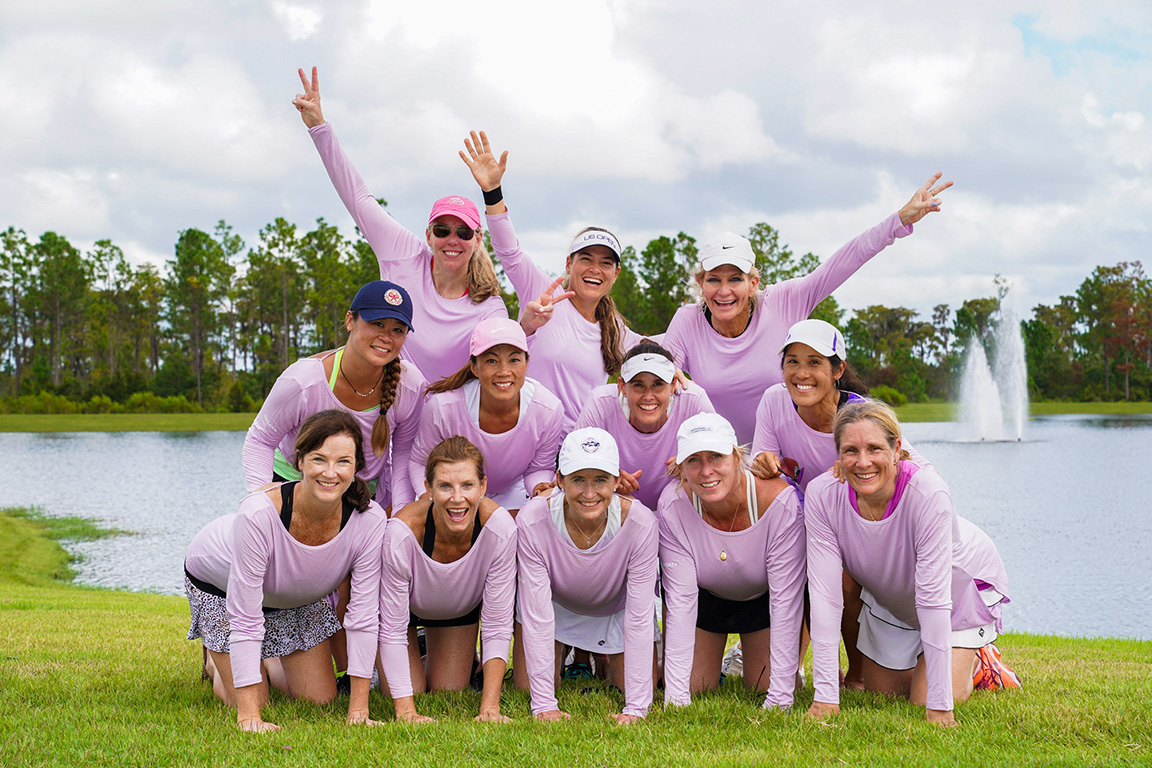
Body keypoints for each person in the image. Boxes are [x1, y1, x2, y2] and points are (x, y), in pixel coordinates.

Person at [662, 174, 952, 445]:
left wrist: (898, 221)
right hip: (723, 461)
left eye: (735, 279)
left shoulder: (782, 301)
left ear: (753, 283)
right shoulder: (687, 321)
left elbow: (842, 264)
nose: (724, 291)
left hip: (787, 457)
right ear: (701, 283)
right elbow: (659, 384)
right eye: (714, 280)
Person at [804, 400, 1018, 727]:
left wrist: (940, 707)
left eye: (874, 448)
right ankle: (930, 658)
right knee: (883, 694)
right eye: (850, 451)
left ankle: (981, 661)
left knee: (924, 700)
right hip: (896, 600)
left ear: (897, 449)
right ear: (838, 455)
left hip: (958, 596)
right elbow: (824, 597)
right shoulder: (822, 495)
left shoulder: (928, 493)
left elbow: (934, 598)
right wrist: (825, 697)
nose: (863, 462)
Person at [293, 67, 507, 383]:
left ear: (477, 240)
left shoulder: (489, 307)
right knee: (302, 372)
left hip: (448, 417)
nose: (452, 240)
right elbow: (358, 198)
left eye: (463, 232)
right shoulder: (405, 253)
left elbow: (502, 364)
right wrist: (319, 127)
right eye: (442, 230)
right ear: (428, 235)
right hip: (390, 399)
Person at [185, 410, 388, 731]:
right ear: (300, 461)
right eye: (319, 459)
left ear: (357, 466)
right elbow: (246, 618)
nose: (331, 473)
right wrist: (250, 717)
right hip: (221, 583)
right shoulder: (259, 514)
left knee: (319, 698)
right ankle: (215, 659)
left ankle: (263, 657)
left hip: (293, 591)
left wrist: (359, 711)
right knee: (252, 699)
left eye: (343, 462)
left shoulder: (370, 519)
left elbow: (362, 616)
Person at [459, 131, 642, 432]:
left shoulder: (617, 331)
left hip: (576, 454)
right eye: (586, 259)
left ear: (615, 274)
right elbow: (508, 250)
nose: (595, 269)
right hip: (524, 437)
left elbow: (665, 347)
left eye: (605, 263)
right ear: (569, 263)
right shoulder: (543, 289)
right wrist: (493, 192)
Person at [657, 413, 806, 710]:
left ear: (737, 458)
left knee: (764, 686)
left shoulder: (779, 501)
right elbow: (681, 601)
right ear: (681, 468)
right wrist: (675, 699)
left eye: (716, 456)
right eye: (694, 461)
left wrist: (780, 698)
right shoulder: (672, 504)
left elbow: (785, 600)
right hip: (707, 599)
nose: (706, 471)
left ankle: (760, 661)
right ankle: (715, 664)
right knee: (693, 687)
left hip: (762, 599)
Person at [515, 428, 659, 723]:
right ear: (559, 480)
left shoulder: (641, 523)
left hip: (616, 611)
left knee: (631, 687)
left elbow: (640, 616)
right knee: (526, 688)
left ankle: (602, 661)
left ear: (617, 481)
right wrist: (543, 705)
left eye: (601, 480)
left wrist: (636, 708)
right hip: (556, 607)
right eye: (578, 479)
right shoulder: (532, 519)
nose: (589, 492)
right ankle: (573, 657)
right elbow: (537, 616)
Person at [243, 280, 424, 509]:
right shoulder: (303, 380)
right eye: (377, 323)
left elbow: (403, 453)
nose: (386, 337)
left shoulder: (409, 385)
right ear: (350, 321)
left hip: (361, 494)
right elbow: (260, 441)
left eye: (397, 329)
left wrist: (401, 512)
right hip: (294, 484)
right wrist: (262, 502)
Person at [378, 436, 516, 723]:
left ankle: (434, 651)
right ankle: (414, 644)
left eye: (467, 485)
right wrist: (407, 712)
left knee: (448, 690)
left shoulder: (499, 528)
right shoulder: (402, 532)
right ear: (428, 489)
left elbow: (497, 623)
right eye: (445, 486)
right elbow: (391, 626)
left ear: (483, 487)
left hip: (457, 608)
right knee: (408, 689)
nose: (457, 498)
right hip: (405, 615)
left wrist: (489, 708)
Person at [410, 317, 563, 513]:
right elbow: (420, 461)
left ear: (526, 363)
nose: (504, 371)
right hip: (456, 492)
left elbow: (538, 469)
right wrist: (431, 500)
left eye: (514, 359)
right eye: (491, 361)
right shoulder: (442, 407)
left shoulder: (548, 409)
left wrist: (539, 486)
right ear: (474, 367)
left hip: (513, 492)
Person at [575, 340, 714, 510]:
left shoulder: (694, 399)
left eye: (657, 385)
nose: (648, 396)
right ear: (622, 387)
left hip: (680, 506)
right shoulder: (600, 403)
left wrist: (693, 460)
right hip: (613, 509)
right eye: (638, 385)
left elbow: (721, 458)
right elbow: (577, 464)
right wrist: (607, 476)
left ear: (673, 385)